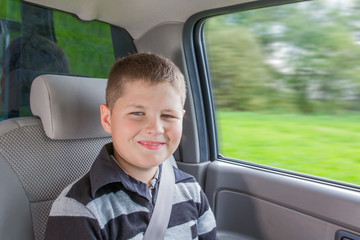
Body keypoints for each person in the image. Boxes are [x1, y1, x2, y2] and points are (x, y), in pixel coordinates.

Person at [44, 53, 217, 239]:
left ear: (181, 119)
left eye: (168, 116)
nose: (155, 129)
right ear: (107, 119)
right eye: (137, 113)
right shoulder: (81, 208)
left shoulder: (190, 189)